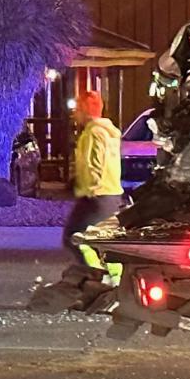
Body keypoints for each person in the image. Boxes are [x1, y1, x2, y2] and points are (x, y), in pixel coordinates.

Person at [63, 91, 124, 267]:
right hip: (107, 194)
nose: (74, 114)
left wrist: (89, 187)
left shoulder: (94, 132)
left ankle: (97, 272)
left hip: (97, 195)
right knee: (91, 239)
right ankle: (103, 273)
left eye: (77, 109)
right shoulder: (107, 132)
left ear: (85, 110)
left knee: (76, 237)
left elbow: (95, 163)